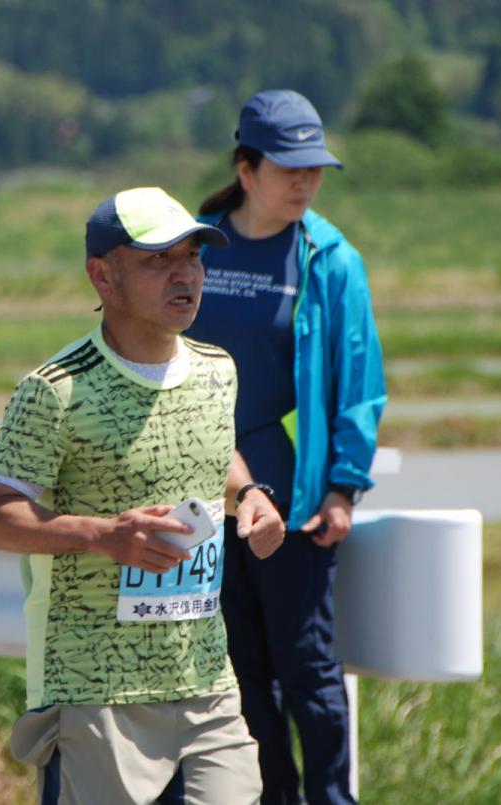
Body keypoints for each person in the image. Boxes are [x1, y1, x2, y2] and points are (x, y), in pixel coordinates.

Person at [0, 186, 286, 804]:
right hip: (95, 688)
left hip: (206, 679)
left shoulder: (217, 370)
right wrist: (106, 536)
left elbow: (213, 453)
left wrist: (250, 494)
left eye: (192, 257)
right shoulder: (55, 390)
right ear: (103, 276)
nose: (184, 274)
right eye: (158, 259)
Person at [185, 89, 387, 805]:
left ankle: (332, 798)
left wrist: (343, 488)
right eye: (288, 168)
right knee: (238, 670)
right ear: (246, 170)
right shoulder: (196, 245)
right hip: (204, 503)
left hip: (294, 503)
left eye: (315, 168)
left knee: (307, 667)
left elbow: (359, 384)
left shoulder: (330, 260)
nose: (305, 182)